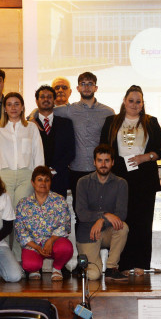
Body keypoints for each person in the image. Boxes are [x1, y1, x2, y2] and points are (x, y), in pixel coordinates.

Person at [100, 85, 161, 275]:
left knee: (143, 222)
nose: (134, 104)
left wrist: (146, 157)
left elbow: (160, 150)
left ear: (143, 104)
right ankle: (124, 264)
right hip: (119, 177)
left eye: (138, 101)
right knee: (122, 222)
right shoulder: (111, 121)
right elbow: (104, 148)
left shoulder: (151, 122)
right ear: (124, 101)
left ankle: (141, 264)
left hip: (144, 177)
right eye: (131, 100)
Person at [53, 72, 114, 213]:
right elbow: (43, 111)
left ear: (96, 88)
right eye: (83, 84)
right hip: (77, 169)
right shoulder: (69, 110)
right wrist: (32, 117)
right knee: (79, 211)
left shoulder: (108, 112)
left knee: (101, 209)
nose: (87, 87)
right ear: (78, 88)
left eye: (90, 84)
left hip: (100, 169)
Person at [75, 144, 129, 281]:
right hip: (88, 233)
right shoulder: (83, 182)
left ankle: (111, 268)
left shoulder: (121, 183)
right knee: (93, 275)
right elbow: (81, 213)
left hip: (107, 231)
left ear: (112, 162)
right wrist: (104, 215)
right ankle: (82, 265)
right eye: (100, 160)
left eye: (107, 161)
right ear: (94, 162)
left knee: (123, 228)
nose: (103, 164)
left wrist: (101, 220)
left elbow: (121, 214)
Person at [0, 92, 45, 208]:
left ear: (22, 107)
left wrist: (39, 177)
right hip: (3, 175)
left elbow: (38, 154)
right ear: (5, 108)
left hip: (26, 176)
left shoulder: (31, 127)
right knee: (5, 210)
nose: (13, 108)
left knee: (22, 210)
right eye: (9, 104)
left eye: (17, 104)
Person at [14, 166, 73, 280]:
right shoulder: (23, 204)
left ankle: (57, 269)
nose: (43, 183)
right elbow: (20, 231)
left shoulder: (59, 200)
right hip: (33, 245)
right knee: (30, 265)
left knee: (66, 248)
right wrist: (36, 247)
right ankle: (35, 268)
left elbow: (65, 226)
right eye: (39, 179)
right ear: (33, 182)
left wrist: (50, 240)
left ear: (51, 182)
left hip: (54, 243)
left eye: (47, 180)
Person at [30, 84, 75, 197]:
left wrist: (54, 169)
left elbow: (71, 151)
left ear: (54, 100)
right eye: (42, 97)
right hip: (36, 179)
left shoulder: (66, 123)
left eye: (49, 97)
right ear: (36, 101)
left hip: (60, 177)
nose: (46, 99)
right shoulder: (29, 125)